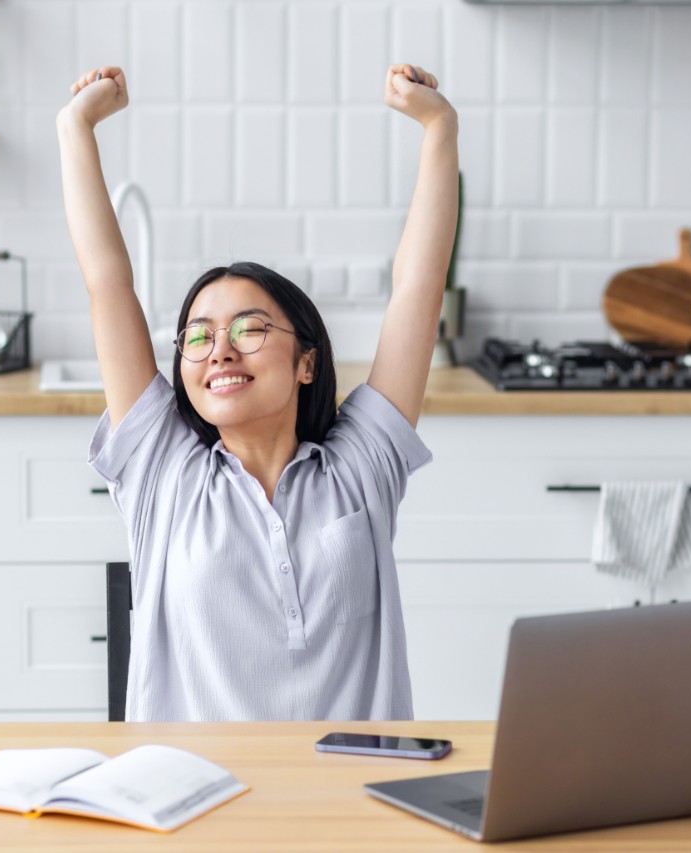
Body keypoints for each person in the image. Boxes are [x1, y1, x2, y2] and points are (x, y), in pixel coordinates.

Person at [57, 62, 459, 722]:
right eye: (198, 336)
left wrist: (439, 127)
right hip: (193, 803)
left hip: (352, 805)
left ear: (307, 361)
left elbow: (419, 285)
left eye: (249, 328)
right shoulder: (164, 469)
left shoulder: (360, 468)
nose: (219, 349)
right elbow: (108, 282)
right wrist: (76, 127)